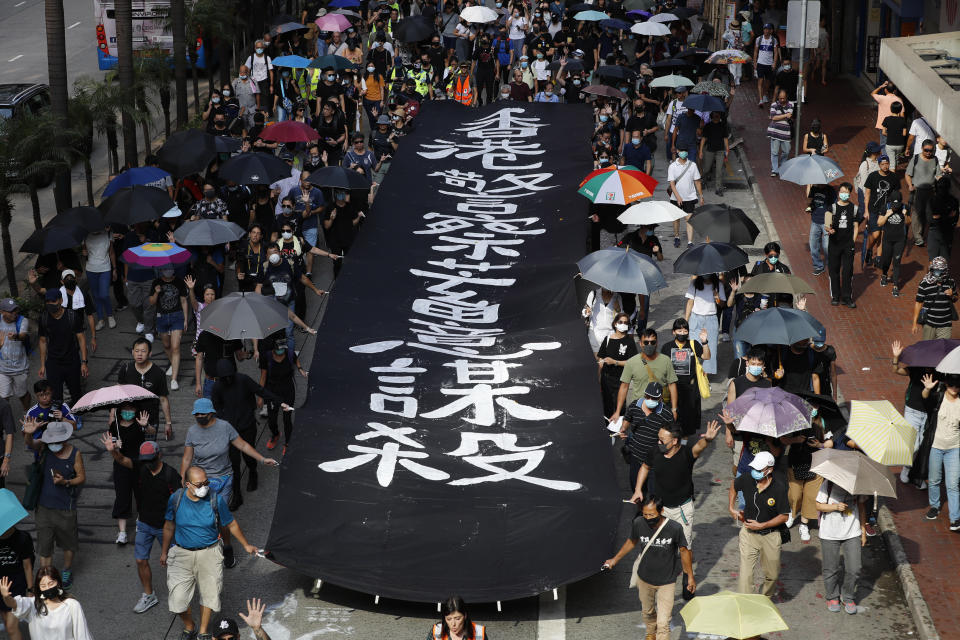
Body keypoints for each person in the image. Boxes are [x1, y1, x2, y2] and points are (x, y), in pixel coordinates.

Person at [161, 466, 259, 640]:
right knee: (177, 600)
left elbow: (231, 523)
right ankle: (189, 626)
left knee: (210, 595)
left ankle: (203, 631)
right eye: (199, 484)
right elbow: (169, 526)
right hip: (182, 554)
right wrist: (164, 552)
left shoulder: (215, 499)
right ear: (188, 484)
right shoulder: (176, 499)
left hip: (210, 552)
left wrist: (245, 545)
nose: (205, 487)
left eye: (206, 482)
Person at [180, 398, 278, 567]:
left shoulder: (225, 427)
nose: (200, 417)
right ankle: (206, 550)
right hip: (202, 482)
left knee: (221, 517)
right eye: (197, 414)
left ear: (211, 413)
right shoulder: (192, 432)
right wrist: (183, 479)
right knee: (207, 518)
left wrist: (262, 459)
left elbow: (243, 445)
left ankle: (227, 547)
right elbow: (187, 457)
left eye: (203, 413)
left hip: (224, 479)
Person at [602, 495, 695, 640]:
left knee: (664, 623)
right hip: (644, 578)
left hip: (667, 581)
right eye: (645, 514)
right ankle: (651, 633)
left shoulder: (674, 528)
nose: (648, 518)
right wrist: (615, 559)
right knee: (648, 612)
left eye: (652, 514)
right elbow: (631, 542)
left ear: (661, 511)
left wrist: (690, 577)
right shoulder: (639, 523)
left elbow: (684, 551)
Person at [112, 440, 180, 614]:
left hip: (166, 525)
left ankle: (180, 593)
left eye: (151, 459)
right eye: (145, 460)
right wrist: (113, 451)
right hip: (144, 523)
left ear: (159, 455)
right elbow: (123, 461)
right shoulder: (142, 468)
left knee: (174, 562)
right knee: (141, 560)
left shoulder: (171, 475)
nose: (148, 464)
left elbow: (180, 503)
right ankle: (149, 595)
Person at [211, 358, 289, 509]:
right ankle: (237, 495)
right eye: (224, 377)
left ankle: (253, 471)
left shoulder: (243, 380)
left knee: (248, 455)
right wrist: (224, 420)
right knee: (233, 463)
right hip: (230, 430)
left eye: (229, 376)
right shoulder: (217, 387)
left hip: (247, 426)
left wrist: (279, 402)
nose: (227, 379)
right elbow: (217, 407)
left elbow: (261, 391)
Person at [631, 422, 721, 546]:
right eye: (658, 439)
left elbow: (699, 446)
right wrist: (638, 489)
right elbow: (645, 467)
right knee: (661, 546)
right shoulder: (654, 452)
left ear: (674, 441)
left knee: (684, 546)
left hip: (682, 510)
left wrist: (707, 439)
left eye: (662, 440)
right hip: (660, 510)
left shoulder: (686, 454)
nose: (658, 443)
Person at [20, 419, 84, 590]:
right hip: (44, 507)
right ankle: (46, 575)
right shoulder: (44, 447)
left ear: (65, 438)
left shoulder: (75, 453)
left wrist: (66, 482)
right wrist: (29, 432)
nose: (54, 444)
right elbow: (30, 443)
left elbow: (81, 477)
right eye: (52, 441)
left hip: (66, 507)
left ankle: (67, 570)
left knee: (68, 543)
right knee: (45, 545)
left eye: (57, 441)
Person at [729, 451, 789, 596]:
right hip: (748, 533)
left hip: (771, 535)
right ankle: (747, 605)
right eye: (754, 468)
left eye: (759, 469)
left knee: (772, 575)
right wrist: (731, 507)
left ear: (770, 469)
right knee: (745, 575)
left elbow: (784, 516)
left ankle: (765, 599)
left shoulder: (779, 487)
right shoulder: (747, 478)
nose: (754, 472)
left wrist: (762, 525)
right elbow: (734, 486)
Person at [100, 404, 149, 546]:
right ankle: (122, 532)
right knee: (122, 495)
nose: (128, 412)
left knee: (141, 494)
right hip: (121, 464)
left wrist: (145, 426)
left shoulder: (140, 422)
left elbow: (150, 432)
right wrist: (115, 445)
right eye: (125, 409)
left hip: (139, 463)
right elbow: (111, 443)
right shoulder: (114, 424)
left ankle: (141, 523)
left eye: (131, 409)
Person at [816, 478, 866, 614]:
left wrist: (863, 531)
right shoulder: (828, 484)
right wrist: (835, 507)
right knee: (830, 568)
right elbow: (818, 505)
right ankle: (832, 596)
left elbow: (861, 507)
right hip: (829, 533)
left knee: (855, 568)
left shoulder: (859, 485)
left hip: (852, 531)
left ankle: (848, 596)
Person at [610, 330, 679, 427]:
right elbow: (624, 387)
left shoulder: (666, 360)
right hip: (639, 410)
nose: (649, 345)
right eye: (646, 342)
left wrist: (674, 409)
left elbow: (672, 385)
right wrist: (617, 411)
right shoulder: (631, 362)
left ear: (657, 343)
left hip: (660, 408)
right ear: (640, 343)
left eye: (652, 342)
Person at [1, 567, 92, 640]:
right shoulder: (33, 604)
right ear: (39, 588)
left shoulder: (72, 605)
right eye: (43, 586)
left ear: (58, 583)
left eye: (51, 583)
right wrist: (6, 597)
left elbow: (82, 635)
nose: (48, 588)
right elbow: (13, 604)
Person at [919, 373, 960, 530]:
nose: (954, 388)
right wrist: (927, 389)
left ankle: (955, 519)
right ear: (946, 384)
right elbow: (925, 400)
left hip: (954, 448)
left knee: (953, 484)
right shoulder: (938, 398)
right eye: (951, 384)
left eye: (957, 385)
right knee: (934, 480)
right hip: (936, 446)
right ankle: (934, 506)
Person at [37, 289, 88, 408]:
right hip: (53, 362)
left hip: (72, 361)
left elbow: (81, 339)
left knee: (75, 392)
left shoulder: (72, 316)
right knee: (55, 395)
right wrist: (43, 364)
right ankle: (58, 419)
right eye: (48, 301)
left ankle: (77, 415)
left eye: (53, 301)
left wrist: (84, 362)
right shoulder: (44, 318)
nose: (50, 304)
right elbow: (42, 341)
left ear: (61, 300)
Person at [259, 338, 307, 454]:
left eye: (283, 350)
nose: (281, 352)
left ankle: (288, 442)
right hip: (272, 392)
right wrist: (260, 395)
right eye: (279, 350)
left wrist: (300, 369)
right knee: (272, 419)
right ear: (273, 349)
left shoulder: (290, 354)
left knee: (287, 419)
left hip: (288, 391)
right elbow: (263, 377)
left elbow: (296, 360)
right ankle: (275, 434)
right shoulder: (267, 357)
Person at [662, 319, 709, 437]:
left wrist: (704, 342)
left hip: (690, 388)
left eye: (685, 330)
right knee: (673, 414)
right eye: (679, 330)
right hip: (673, 387)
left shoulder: (693, 344)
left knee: (688, 417)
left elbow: (706, 356)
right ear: (673, 332)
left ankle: (684, 441)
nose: (682, 333)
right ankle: (673, 438)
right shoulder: (667, 347)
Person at [117, 337, 172, 439]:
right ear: (132, 352)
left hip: (150, 420)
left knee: (148, 451)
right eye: (137, 351)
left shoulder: (158, 373)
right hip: (129, 419)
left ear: (150, 353)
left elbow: (163, 399)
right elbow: (118, 393)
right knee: (129, 451)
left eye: (143, 351)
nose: (139, 354)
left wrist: (168, 422)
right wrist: (112, 415)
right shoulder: (126, 369)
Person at [149, 268, 189, 391]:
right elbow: (151, 302)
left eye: (170, 268)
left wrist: (186, 319)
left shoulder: (179, 282)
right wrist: (156, 292)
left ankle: (174, 379)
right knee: (166, 345)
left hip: (177, 316)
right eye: (165, 268)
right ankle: (173, 363)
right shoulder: (156, 282)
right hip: (161, 317)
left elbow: (183, 301)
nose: (168, 271)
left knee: (175, 347)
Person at [0, 494, 33, 640]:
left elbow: (27, 566)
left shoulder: (22, 538)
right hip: (0, 586)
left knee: (12, 627)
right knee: (7, 622)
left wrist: (30, 590)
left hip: (17, 586)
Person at [824, 182, 862, 307]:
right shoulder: (832, 208)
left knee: (847, 271)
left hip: (848, 245)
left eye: (846, 192)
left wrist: (853, 241)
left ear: (850, 194)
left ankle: (847, 297)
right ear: (838, 193)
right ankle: (835, 296)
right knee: (833, 270)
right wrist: (830, 230)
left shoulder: (854, 209)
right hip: (834, 244)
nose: (843, 194)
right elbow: (826, 224)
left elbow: (856, 227)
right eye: (842, 192)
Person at [596, 313, 638, 422]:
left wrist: (615, 362)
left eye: (625, 323)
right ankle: (608, 428)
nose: (623, 324)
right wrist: (598, 378)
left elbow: (632, 362)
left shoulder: (629, 341)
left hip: (621, 378)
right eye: (620, 322)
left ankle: (618, 427)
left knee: (620, 405)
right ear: (615, 323)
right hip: (606, 377)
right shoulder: (608, 339)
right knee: (607, 404)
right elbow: (601, 360)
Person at [905, 138, 943, 247]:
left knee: (927, 214)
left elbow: (938, 174)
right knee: (917, 213)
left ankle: (921, 233)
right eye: (926, 150)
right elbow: (908, 174)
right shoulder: (916, 158)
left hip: (930, 191)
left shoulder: (934, 160)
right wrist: (910, 185)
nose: (928, 153)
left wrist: (942, 183)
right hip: (917, 191)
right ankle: (918, 237)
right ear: (922, 148)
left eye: (931, 151)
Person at [862, 155, 899, 263]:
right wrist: (866, 210)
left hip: (886, 210)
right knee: (875, 234)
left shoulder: (894, 177)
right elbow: (867, 194)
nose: (885, 166)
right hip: (873, 209)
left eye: (886, 163)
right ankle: (869, 250)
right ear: (879, 165)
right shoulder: (872, 176)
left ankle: (878, 258)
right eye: (882, 164)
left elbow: (896, 195)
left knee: (882, 235)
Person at [683, 276, 721, 378]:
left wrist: (717, 297)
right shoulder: (694, 283)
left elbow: (722, 304)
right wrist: (686, 321)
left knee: (711, 348)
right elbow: (690, 302)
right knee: (693, 347)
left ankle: (704, 379)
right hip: (695, 319)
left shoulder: (718, 284)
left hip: (711, 319)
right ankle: (693, 375)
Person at [912, 256, 957, 340]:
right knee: (928, 349)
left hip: (945, 324)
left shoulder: (950, 282)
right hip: (929, 323)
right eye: (936, 270)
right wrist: (914, 323)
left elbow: (955, 298)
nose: (938, 273)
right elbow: (918, 303)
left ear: (945, 270)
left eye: (940, 271)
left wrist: (952, 295)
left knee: (943, 350)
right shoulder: (924, 283)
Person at [667, 149, 704, 249]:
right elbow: (672, 184)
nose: (683, 153)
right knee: (676, 219)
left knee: (689, 219)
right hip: (675, 198)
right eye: (681, 150)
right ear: (677, 151)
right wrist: (678, 197)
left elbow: (697, 182)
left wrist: (701, 196)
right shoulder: (672, 166)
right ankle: (676, 237)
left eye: (685, 151)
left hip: (690, 197)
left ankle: (690, 242)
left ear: (687, 152)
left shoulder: (693, 165)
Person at [0, 299, 32, 412]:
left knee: (22, 394)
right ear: (2, 312)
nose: (14, 313)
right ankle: (3, 423)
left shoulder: (22, 320)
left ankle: (27, 413)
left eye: (15, 309)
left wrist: (16, 336)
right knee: (3, 398)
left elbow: (23, 335)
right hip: (2, 369)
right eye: (11, 311)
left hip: (20, 368)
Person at [877, 191, 909, 297]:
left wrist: (904, 215)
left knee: (896, 262)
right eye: (894, 206)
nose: (896, 208)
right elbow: (879, 223)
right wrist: (887, 215)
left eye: (897, 206)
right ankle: (884, 274)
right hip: (887, 239)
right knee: (886, 259)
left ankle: (895, 286)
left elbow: (909, 222)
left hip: (900, 240)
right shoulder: (885, 207)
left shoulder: (905, 207)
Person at [582, 287, 623, 353]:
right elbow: (584, 311)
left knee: (608, 361)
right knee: (596, 361)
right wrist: (587, 311)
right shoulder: (594, 294)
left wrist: (618, 309)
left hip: (610, 334)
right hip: (594, 334)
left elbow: (621, 317)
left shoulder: (617, 296)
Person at [698, 111, 729, 196]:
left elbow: (725, 138)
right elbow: (703, 139)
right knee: (706, 169)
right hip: (709, 150)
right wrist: (700, 151)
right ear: (712, 116)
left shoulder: (723, 126)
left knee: (719, 170)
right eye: (715, 115)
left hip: (720, 151)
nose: (716, 116)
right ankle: (703, 180)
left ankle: (718, 188)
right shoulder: (708, 126)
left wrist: (727, 149)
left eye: (718, 114)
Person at [752, 23, 780, 106]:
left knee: (768, 82)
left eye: (768, 29)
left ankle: (765, 94)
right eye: (765, 29)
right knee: (760, 81)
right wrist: (755, 62)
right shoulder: (758, 39)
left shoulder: (774, 40)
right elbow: (755, 51)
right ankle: (761, 99)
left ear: (771, 30)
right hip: (760, 63)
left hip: (769, 64)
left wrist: (774, 63)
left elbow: (776, 53)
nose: (766, 31)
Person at [767, 90, 793, 176]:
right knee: (774, 152)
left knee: (786, 151)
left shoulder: (791, 104)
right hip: (774, 132)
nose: (782, 100)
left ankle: (782, 166)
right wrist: (785, 115)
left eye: (783, 98)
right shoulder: (773, 105)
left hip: (786, 133)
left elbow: (776, 117)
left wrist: (778, 117)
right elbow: (773, 118)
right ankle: (775, 169)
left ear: (786, 97)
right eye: (780, 98)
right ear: (778, 97)